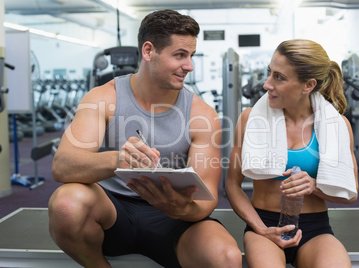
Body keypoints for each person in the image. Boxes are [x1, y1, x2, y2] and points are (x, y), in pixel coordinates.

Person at [48, 9, 242, 268]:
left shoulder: (202, 114)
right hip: (113, 211)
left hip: (174, 217)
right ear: (149, 51)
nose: (189, 66)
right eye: (180, 55)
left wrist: (178, 208)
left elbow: (204, 202)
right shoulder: (103, 97)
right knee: (66, 204)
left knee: (226, 258)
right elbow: (62, 166)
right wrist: (118, 159)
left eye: (191, 56)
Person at [225, 39, 359, 268]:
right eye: (270, 73)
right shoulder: (250, 119)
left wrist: (314, 185)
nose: (267, 84)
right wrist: (261, 229)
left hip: (315, 228)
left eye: (279, 77)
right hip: (265, 224)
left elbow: (351, 193)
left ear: (308, 85)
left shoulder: (337, 125)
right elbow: (232, 185)